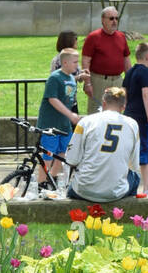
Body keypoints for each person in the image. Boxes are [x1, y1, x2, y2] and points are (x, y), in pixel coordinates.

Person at [65, 87, 140, 202]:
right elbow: (134, 165)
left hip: (84, 190)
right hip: (115, 192)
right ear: (123, 107)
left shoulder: (86, 122)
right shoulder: (133, 125)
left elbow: (71, 160)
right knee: (135, 177)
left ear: (103, 103)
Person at [35, 48, 79, 186]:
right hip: (50, 125)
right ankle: (41, 183)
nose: (77, 65)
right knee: (48, 155)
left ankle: (52, 178)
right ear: (65, 62)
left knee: (63, 153)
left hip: (64, 125)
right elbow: (52, 99)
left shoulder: (71, 78)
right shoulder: (55, 78)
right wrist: (70, 114)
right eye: (74, 62)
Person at [124, 41, 148, 195]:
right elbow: (146, 94)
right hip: (141, 119)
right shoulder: (146, 73)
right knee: (146, 152)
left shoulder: (130, 71)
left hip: (130, 117)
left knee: (130, 152)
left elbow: (124, 93)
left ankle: (127, 185)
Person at [81, 8, 130, 114]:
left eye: (117, 18)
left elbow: (126, 59)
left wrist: (129, 80)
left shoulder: (121, 36)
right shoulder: (93, 37)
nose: (115, 21)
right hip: (98, 81)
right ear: (103, 20)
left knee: (116, 112)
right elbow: (85, 61)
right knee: (96, 112)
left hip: (117, 80)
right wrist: (87, 83)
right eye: (111, 18)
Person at [49, 31, 86, 115]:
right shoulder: (59, 60)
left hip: (72, 100)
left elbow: (77, 75)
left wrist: (82, 73)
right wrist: (80, 76)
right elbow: (61, 80)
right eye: (75, 39)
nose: (77, 42)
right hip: (61, 102)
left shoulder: (73, 58)